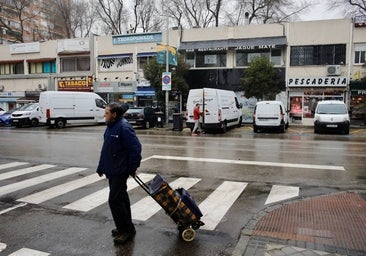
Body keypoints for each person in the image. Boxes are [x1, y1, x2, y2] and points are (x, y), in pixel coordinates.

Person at [96, 102, 142, 245]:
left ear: (114, 114)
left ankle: (125, 230)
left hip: (120, 170)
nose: (105, 115)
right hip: (112, 169)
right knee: (121, 199)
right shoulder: (111, 126)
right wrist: (101, 166)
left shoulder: (123, 127)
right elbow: (107, 149)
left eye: (107, 113)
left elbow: (135, 149)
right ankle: (128, 227)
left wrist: (132, 168)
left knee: (115, 200)